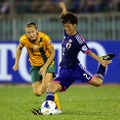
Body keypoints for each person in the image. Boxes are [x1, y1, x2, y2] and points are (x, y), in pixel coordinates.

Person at [40, 2, 115, 114]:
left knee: (98, 83)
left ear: (74, 25)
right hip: (65, 70)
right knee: (50, 88)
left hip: (76, 69)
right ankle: (48, 109)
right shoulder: (66, 32)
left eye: (68, 26)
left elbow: (88, 51)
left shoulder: (78, 39)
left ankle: (102, 66)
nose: (66, 28)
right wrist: (64, 8)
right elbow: (64, 16)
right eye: (65, 26)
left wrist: (100, 60)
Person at [12, 22, 62, 111]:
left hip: (48, 63)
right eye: (28, 33)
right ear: (26, 33)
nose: (31, 34)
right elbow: (19, 48)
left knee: (46, 85)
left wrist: (45, 67)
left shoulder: (45, 38)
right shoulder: (24, 39)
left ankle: (57, 108)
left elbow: (53, 53)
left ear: (37, 31)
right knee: (37, 93)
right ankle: (52, 86)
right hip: (34, 66)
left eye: (33, 32)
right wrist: (16, 63)